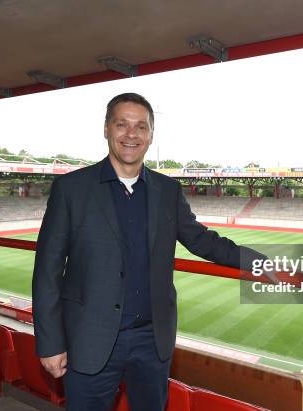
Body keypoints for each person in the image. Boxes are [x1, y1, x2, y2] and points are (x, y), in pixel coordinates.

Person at [32, 92, 263, 411]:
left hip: (151, 341)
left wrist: (259, 261)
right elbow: (47, 271)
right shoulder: (71, 189)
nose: (131, 134)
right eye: (122, 124)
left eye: (141, 126)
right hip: (90, 339)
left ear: (151, 135)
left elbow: (201, 240)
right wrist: (50, 343)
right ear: (106, 129)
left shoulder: (168, 191)